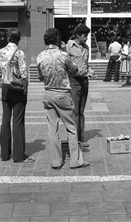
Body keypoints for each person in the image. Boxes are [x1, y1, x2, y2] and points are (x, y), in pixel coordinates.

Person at [36, 28, 89, 169]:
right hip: (63, 93)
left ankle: (56, 161)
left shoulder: (40, 56)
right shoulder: (63, 55)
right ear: (58, 39)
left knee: (52, 129)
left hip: (48, 93)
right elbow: (74, 70)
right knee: (71, 127)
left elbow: (40, 76)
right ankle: (75, 161)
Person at [0, 29, 34, 163]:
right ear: (19, 38)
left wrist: (2, 84)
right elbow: (23, 73)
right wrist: (25, 87)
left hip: (5, 88)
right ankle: (18, 155)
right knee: (18, 121)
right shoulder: (19, 52)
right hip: (17, 88)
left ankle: (4, 154)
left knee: (5, 120)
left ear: (8, 38)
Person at [66, 23, 94, 148]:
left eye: (87, 36)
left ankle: (81, 139)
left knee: (81, 112)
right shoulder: (68, 47)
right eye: (84, 35)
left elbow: (86, 64)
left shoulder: (86, 47)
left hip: (84, 80)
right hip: (74, 81)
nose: (86, 38)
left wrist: (90, 70)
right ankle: (74, 139)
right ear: (77, 35)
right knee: (75, 111)